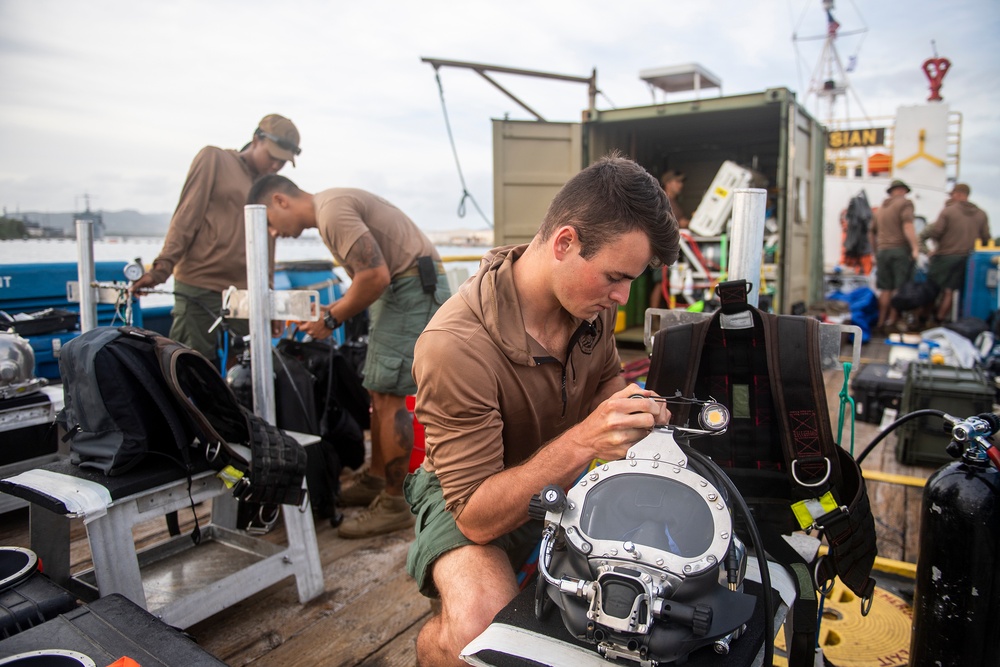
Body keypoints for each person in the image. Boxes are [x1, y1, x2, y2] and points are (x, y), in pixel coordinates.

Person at [405, 154, 679, 666]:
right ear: (565, 243)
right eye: (615, 278)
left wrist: (631, 411)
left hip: (562, 472)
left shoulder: (588, 301)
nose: (622, 296)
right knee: (477, 628)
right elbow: (478, 518)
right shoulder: (454, 346)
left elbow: (605, 382)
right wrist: (585, 441)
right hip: (466, 494)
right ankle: (430, 651)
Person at [246, 175, 451, 539]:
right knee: (377, 390)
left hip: (411, 291)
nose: (275, 234)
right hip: (402, 289)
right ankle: (375, 480)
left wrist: (331, 318)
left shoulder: (332, 211)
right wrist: (334, 307)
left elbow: (374, 275)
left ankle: (394, 503)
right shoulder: (331, 209)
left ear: (280, 200)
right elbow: (371, 279)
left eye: (270, 226)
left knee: (390, 397)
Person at [132, 114, 301, 366]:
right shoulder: (215, 159)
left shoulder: (270, 187)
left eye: (283, 161)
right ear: (256, 139)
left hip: (246, 293)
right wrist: (161, 269)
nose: (276, 164)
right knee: (191, 368)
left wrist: (269, 302)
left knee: (247, 368)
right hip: (200, 284)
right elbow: (186, 216)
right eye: (272, 156)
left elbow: (268, 246)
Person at [919, 183, 991, 324]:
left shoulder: (948, 211)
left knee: (932, 289)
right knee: (950, 291)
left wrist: (937, 247)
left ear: (958, 194)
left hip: (945, 257)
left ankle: (923, 320)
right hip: (968, 259)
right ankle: (940, 320)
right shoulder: (981, 214)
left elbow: (936, 232)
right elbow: (986, 238)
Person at [869, 179, 919, 332]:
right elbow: (908, 225)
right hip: (899, 251)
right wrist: (915, 248)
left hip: (883, 252)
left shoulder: (881, 209)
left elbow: (871, 232)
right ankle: (893, 322)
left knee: (885, 289)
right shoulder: (905, 204)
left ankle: (881, 321)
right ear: (902, 191)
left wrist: (875, 252)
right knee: (899, 288)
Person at [648, 169, 689, 308]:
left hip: (668, 249)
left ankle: (660, 317)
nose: (681, 185)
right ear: (668, 183)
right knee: (660, 283)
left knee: (667, 282)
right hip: (661, 248)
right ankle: (654, 318)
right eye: (677, 182)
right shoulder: (662, 200)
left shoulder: (673, 201)